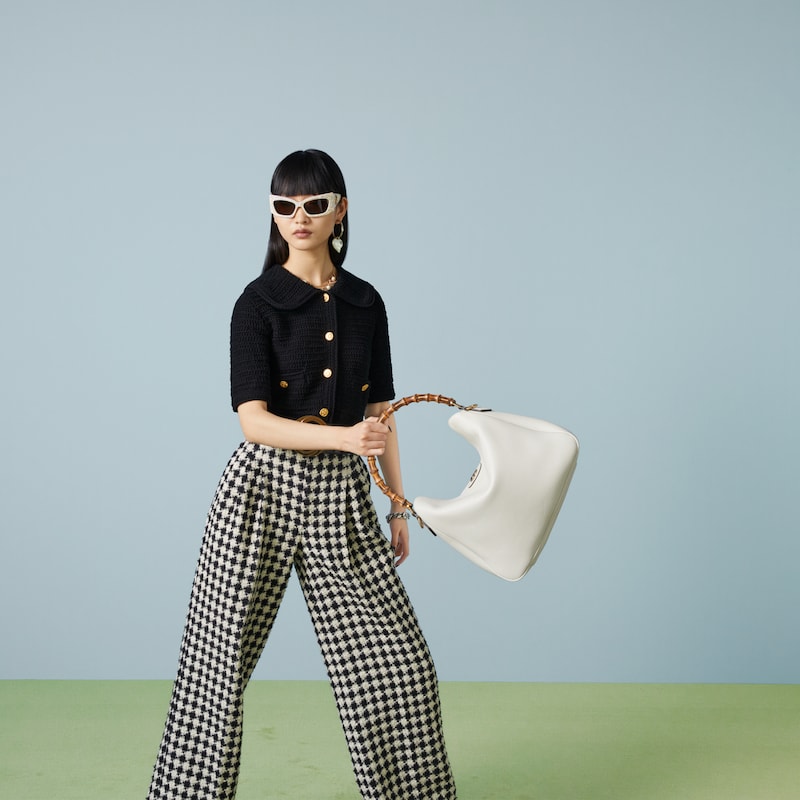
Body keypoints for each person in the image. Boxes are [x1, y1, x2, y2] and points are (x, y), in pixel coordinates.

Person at [147, 149, 457, 800]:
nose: (299, 217)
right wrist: (343, 438)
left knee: (399, 666)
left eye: (315, 204)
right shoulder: (256, 302)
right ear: (273, 212)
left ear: (341, 210)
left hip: (342, 497)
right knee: (215, 667)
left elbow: (381, 413)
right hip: (259, 489)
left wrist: (398, 504)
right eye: (284, 205)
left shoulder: (366, 302)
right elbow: (253, 422)